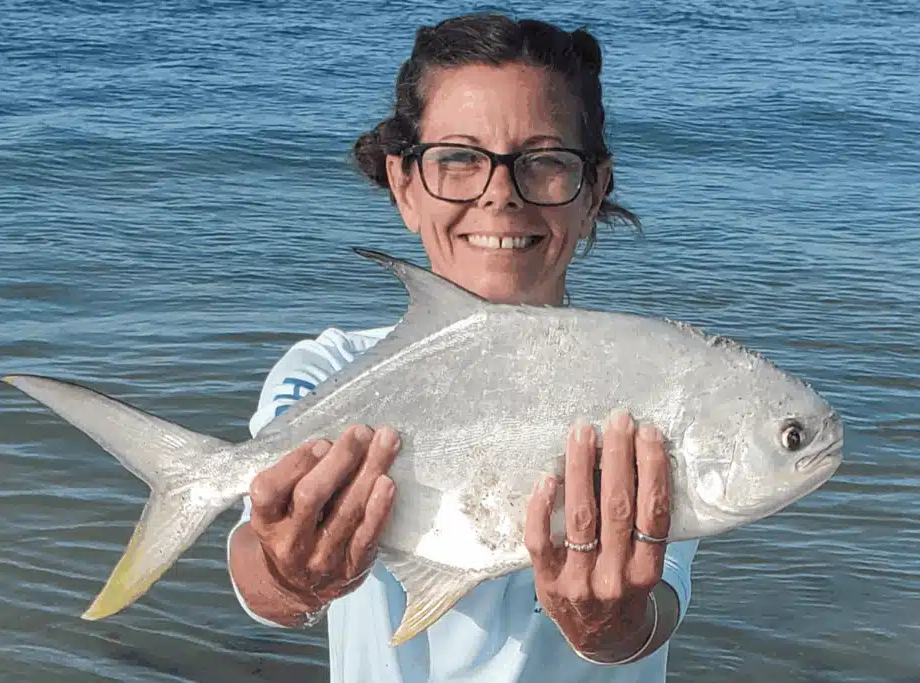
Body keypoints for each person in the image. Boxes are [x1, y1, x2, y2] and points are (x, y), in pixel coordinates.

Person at [226, 13, 699, 683]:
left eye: (544, 162)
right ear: (404, 185)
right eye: (458, 160)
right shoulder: (330, 371)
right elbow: (258, 576)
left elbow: (655, 611)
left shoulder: (646, 380)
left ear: (593, 189)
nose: (500, 195)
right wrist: (289, 574)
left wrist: (612, 622)